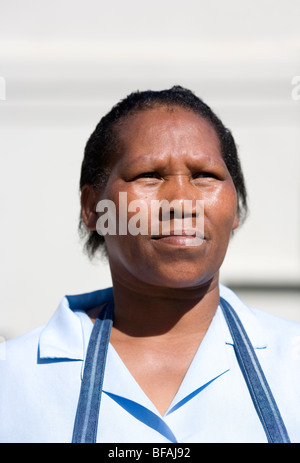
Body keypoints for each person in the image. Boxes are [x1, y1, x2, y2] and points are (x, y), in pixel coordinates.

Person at [1, 86, 299, 443]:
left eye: (205, 175)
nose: (181, 201)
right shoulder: (13, 378)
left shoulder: (292, 362)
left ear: (234, 208)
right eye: (149, 175)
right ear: (94, 208)